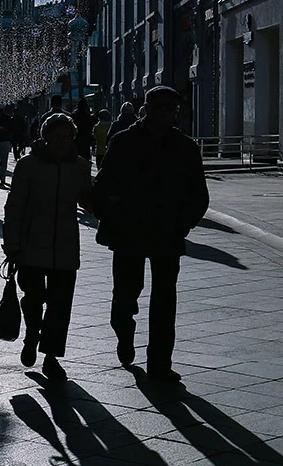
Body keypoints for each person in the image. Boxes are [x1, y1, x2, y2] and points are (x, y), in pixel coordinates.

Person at [94, 86, 208, 382]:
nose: (165, 113)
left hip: (167, 233)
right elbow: (102, 188)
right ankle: (124, 330)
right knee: (125, 295)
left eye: (171, 109)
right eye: (160, 107)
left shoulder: (185, 147)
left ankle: (159, 364)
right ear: (146, 108)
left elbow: (199, 195)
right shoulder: (124, 141)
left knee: (164, 301)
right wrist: (113, 212)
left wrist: (182, 224)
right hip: (128, 231)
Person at [3, 113, 93, 383]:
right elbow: (15, 205)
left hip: (65, 245)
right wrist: (12, 243)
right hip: (31, 245)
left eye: (67, 137)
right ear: (46, 137)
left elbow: (87, 200)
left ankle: (51, 356)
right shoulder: (28, 165)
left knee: (60, 304)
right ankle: (32, 335)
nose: (63, 142)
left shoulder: (79, 166)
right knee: (33, 298)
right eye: (57, 136)